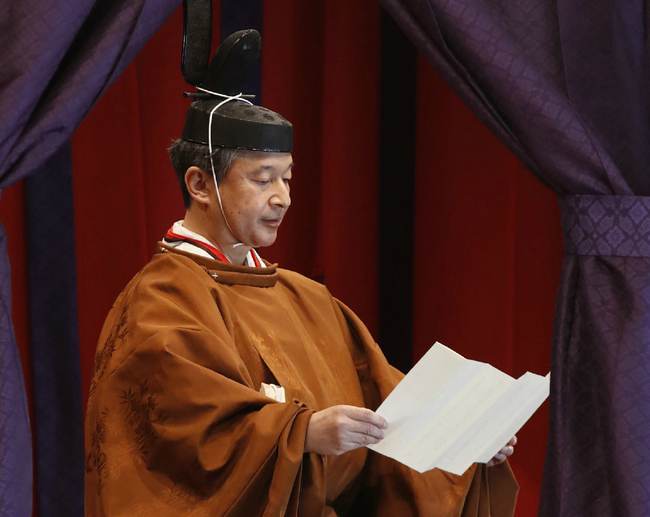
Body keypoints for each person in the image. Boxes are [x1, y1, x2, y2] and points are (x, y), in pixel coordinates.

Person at [84, 30, 518, 516]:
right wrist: (303, 433)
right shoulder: (161, 300)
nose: (283, 198)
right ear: (200, 184)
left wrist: (464, 442)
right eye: (262, 179)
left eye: (287, 178)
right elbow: (183, 435)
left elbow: (388, 403)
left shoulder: (305, 296)